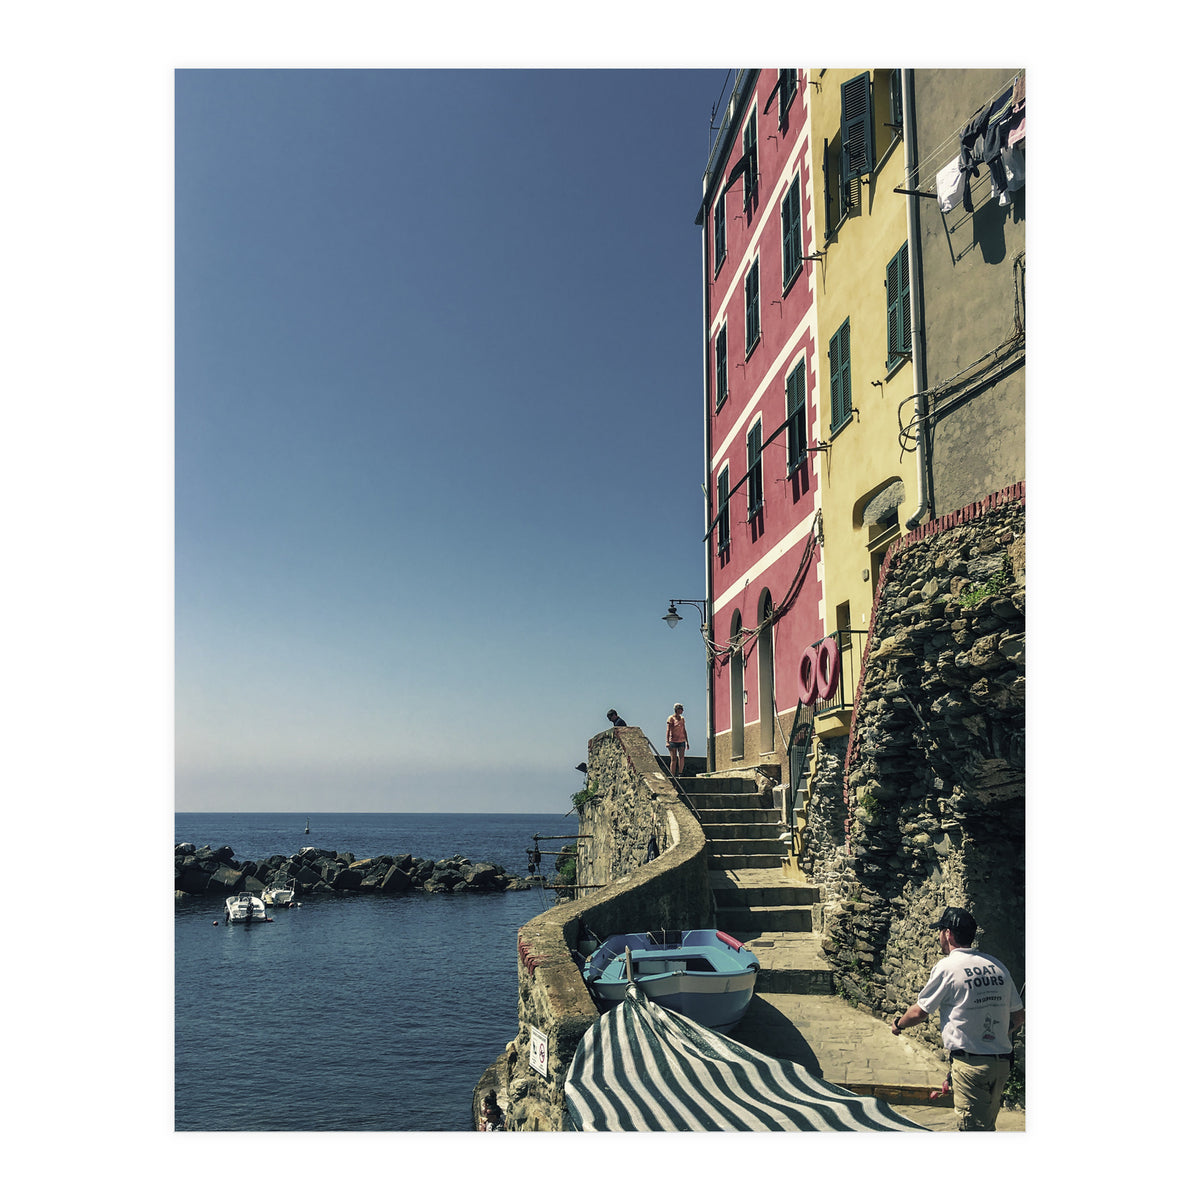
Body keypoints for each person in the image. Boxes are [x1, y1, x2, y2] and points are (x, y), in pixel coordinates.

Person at [891, 906, 1024, 1131]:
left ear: (948, 934)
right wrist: (996, 1036)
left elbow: (919, 1012)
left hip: (972, 1066)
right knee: (986, 1126)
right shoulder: (996, 965)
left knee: (972, 1130)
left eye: (941, 931)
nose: (940, 936)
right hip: (1000, 1064)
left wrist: (898, 1025)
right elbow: (1019, 1017)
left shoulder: (948, 967)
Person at [666, 703, 688, 776]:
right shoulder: (671, 718)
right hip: (673, 741)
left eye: (682, 709)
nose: (681, 711)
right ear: (676, 709)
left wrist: (687, 741)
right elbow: (668, 730)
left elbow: (684, 730)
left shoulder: (682, 719)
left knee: (681, 758)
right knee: (674, 759)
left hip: (681, 740)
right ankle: (672, 774)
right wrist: (667, 742)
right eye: (680, 709)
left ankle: (680, 773)